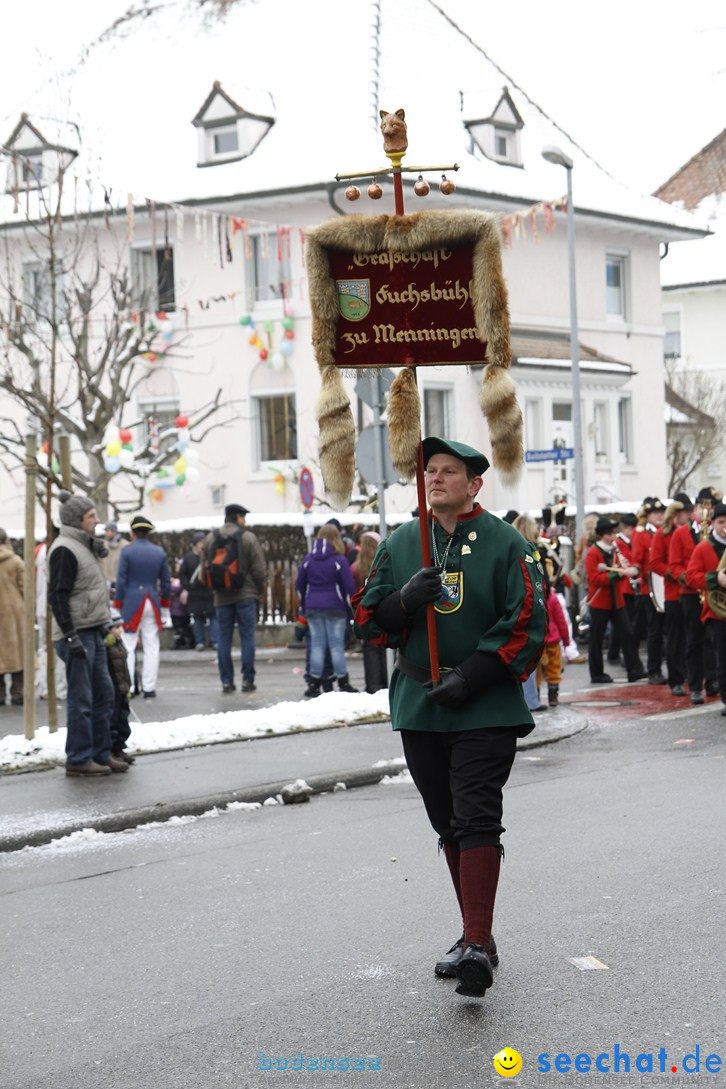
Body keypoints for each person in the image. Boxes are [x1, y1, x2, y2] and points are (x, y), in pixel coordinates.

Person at [354, 437, 546, 999]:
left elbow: (526, 624)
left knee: (477, 816)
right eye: (430, 471)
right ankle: (472, 936)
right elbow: (368, 622)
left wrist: (473, 676)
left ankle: (479, 944)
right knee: (448, 824)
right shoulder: (403, 540)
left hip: (483, 704)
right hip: (420, 703)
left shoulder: (507, 544)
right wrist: (405, 602)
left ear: (474, 484)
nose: (436, 479)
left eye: (449, 471)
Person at [48, 490, 126, 776]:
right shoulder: (65, 549)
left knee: (104, 694)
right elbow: (57, 595)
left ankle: (101, 753)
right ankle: (79, 758)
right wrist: (70, 635)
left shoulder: (85, 545)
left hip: (94, 629)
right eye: (91, 516)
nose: (97, 520)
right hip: (77, 633)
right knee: (81, 700)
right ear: (77, 520)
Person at [205, 503, 266, 694]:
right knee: (247, 637)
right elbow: (259, 570)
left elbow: (204, 569)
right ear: (237, 518)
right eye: (243, 517)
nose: (245, 521)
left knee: (224, 639)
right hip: (245, 596)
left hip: (221, 598)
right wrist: (258, 590)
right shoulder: (248, 538)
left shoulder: (210, 538)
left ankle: (227, 682)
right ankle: (248, 680)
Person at [670, 487, 720, 703]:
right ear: (695, 508)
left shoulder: (717, 534)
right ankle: (695, 684)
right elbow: (674, 565)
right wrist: (689, 579)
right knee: (693, 640)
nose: (706, 512)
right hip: (691, 593)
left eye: (710, 508)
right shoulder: (681, 533)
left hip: (713, 593)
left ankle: (712, 681)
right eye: (703, 507)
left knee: (713, 640)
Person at [296, 523, 358, 697]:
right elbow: (348, 587)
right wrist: (351, 610)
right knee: (336, 646)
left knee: (317, 645)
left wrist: (304, 604)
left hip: (313, 607)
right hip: (335, 608)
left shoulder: (308, 559)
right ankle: (343, 682)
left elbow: (299, 585)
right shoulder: (340, 560)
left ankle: (314, 684)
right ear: (336, 538)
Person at [114, 514, 171, 699]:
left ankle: (129, 687)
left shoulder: (127, 552)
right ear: (148, 533)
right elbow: (166, 582)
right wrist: (164, 606)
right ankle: (149, 687)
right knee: (151, 645)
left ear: (132, 532)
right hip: (151, 600)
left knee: (128, 645)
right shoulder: (159, 552)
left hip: (132, 601)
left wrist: (118, 605)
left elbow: (121, 581)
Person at [584, 516, 644, 684]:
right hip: (599, 602)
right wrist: (617, 574)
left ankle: (634, 670)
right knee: (596, 639)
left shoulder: (615, 550)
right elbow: (595, 579)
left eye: (612, 533)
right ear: (600, 536)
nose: (611, 537)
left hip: (617, 601)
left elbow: (620, 572)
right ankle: (597, 674)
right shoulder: (593, 553)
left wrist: (626, 571)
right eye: (608, 535)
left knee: (628, 633)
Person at [686, 500, 726, 716]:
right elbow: (690, 577)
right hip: (717, 610)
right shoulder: (703, 547)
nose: (725, 526)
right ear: (712, 524)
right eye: (721, 522)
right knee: (723, 655)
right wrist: (715, 578)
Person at [649, 495, 692, 696]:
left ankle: (691, 675)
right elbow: (655, 563)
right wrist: (675, 574)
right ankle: (675, 679)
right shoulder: (662, 535)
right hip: (674, 592)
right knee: (675, 638)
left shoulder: (692, 532)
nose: (689, 515)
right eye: (685, 512)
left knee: (692, 638)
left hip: (692, 591)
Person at [631, 497, 667, 683]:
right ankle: (654, 670)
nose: (659, 515)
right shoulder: (642, 535)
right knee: (655, 632)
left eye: (662, 512)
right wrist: (635, 570)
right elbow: (637, 559)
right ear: (648, 516)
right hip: (650, 589)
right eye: (655, 513)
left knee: (672, 631)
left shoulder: (666, 533)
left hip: (667, 588)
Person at [350, 531, 388, 694]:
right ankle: (385, 682)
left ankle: (373, 685)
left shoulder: (355, 568)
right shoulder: (382, 564)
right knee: (384, 647)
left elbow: (351, 593)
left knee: (370, 649)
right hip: (382, 609)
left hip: (364, 613)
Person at [104, 611, 135, 764]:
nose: (120, 630)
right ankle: (111, 749)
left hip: (122, 689)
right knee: (113, 721)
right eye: (116, 627)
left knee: (123, 720)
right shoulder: (106, 646)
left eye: (120, 627)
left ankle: (119, 747)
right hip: (113, 691)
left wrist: (128, 687)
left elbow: (124, 668)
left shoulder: (119, 644)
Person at [180, 531, 218, 650]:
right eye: (200, 542)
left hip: (208, 592)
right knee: (197, 618)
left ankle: (215, 641)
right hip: (194, 593)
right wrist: (187, 586)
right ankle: (200, 642)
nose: (202, 544)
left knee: (213, 617)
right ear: (195, 544)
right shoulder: (188, 558)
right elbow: (182, 574)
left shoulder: (210, 556)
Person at [0, 528, 25, 706]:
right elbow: (25, 588)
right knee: (18, 654)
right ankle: (17, 692)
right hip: (14, 613)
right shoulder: (15, 561)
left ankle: (0, 694)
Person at [169, 558, 196, 649]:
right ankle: (180, 641)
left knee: (183, 626)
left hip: (181, 608)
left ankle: (187, 641)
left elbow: (179, 589)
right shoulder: (175, 578)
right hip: (175, 608)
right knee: (177, 626)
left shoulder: (182, 579)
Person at [100, 521, 128, 596]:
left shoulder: (125, 545)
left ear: (113, 531)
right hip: (106, 582)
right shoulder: (103, 545)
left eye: (107, 531)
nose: (105, 533)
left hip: (120, 581)